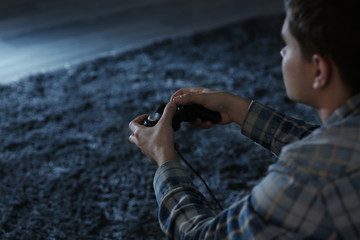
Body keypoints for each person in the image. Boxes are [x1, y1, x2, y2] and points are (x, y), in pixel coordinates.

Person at [129, 0, 360, 238]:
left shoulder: (304, 177)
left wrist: (164, 158)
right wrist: (237, 109)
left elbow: (201, 235)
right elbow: (332, 148)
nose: (281, 52)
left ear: (319, 71)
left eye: (288, 45)